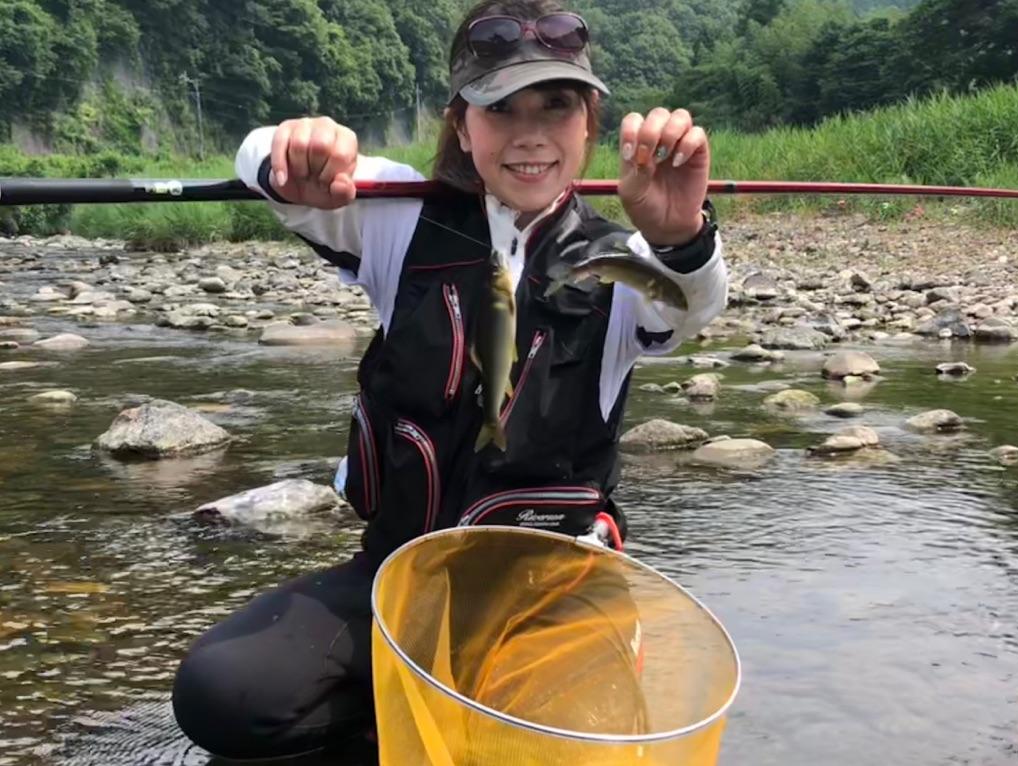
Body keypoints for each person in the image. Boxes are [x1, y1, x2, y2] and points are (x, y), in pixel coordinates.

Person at [172, 0, 729, 760]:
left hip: (554, 596)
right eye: (501, 108)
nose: (530, 133)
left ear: (590, 125)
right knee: (224, 693)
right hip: (399, 574)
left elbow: (691, 302)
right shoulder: (400, 219)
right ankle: (385, 724)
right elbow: (261, 160)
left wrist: (680, 236)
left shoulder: (623, 262)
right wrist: (293, 149)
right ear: (463, 127)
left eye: (556, 106)